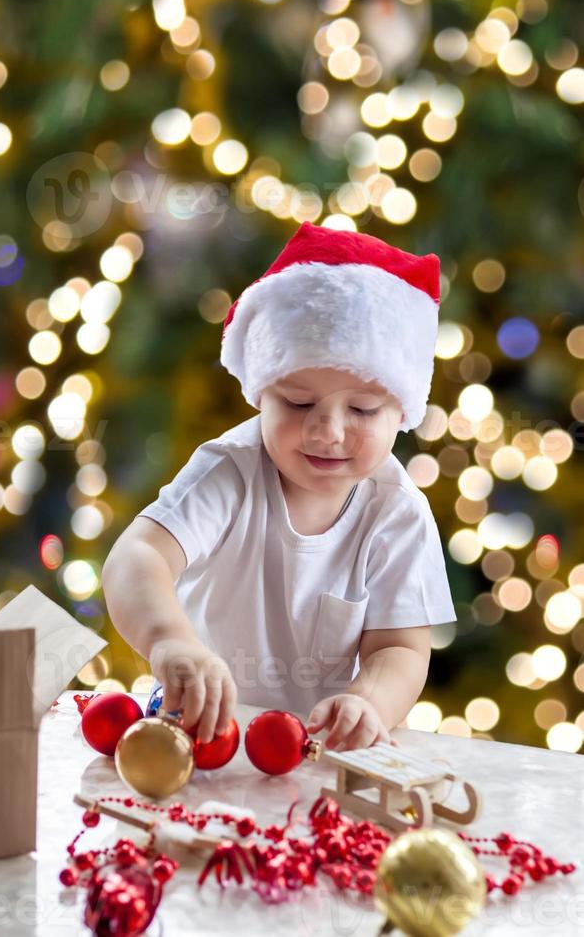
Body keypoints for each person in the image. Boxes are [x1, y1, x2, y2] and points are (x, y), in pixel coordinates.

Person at [102, 220, 457, 753]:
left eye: (361, 409)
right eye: (297, 403)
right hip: (198, 736)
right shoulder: (229, 472)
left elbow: (399, 649)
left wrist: (369, 702)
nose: (329, 430)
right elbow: (137, 556)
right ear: (260, 393)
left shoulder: (398, 513)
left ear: (402, 411)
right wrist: (170, 642)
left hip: (314, 752)